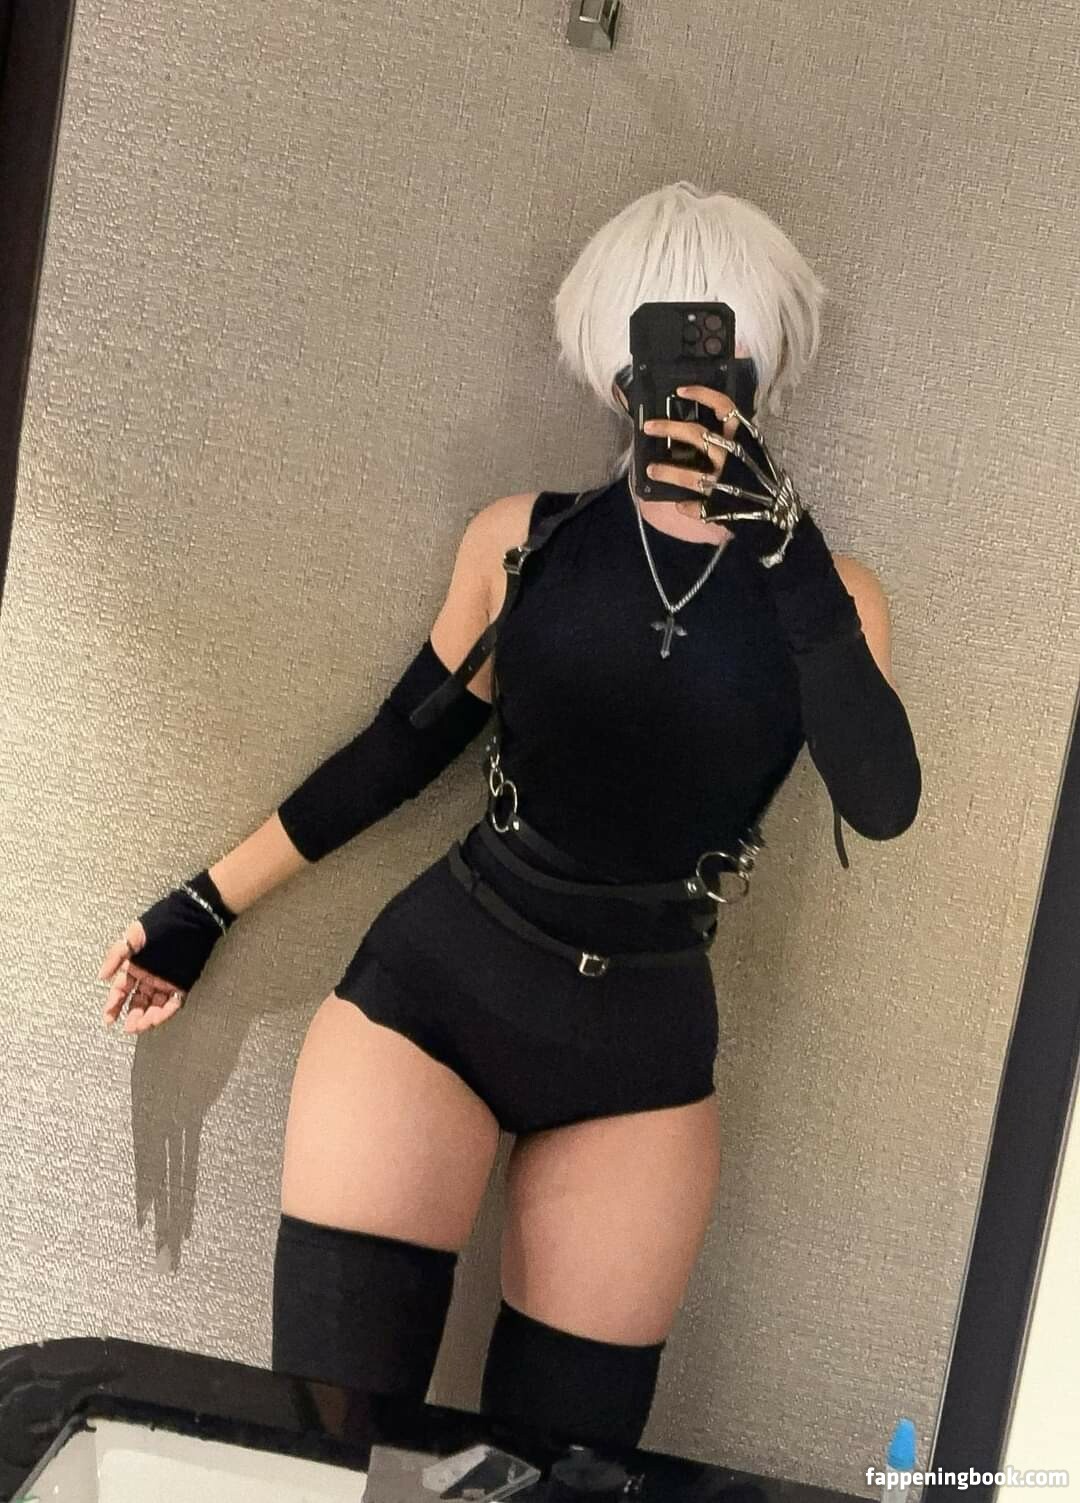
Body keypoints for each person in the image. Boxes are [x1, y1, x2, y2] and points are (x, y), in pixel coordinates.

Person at [97, 181, 921, 1450]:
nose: (691, 389)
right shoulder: (522, 544)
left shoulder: (831, 594)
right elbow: (395, 754)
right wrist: (201, 908)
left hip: (641, 1057)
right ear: (613, 370)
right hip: (433, 997)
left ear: (765, 366)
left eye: (726, 355)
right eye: (660, 356)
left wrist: (792, 551)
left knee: (562, 1477)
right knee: (331, 1451)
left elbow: (883, 800)